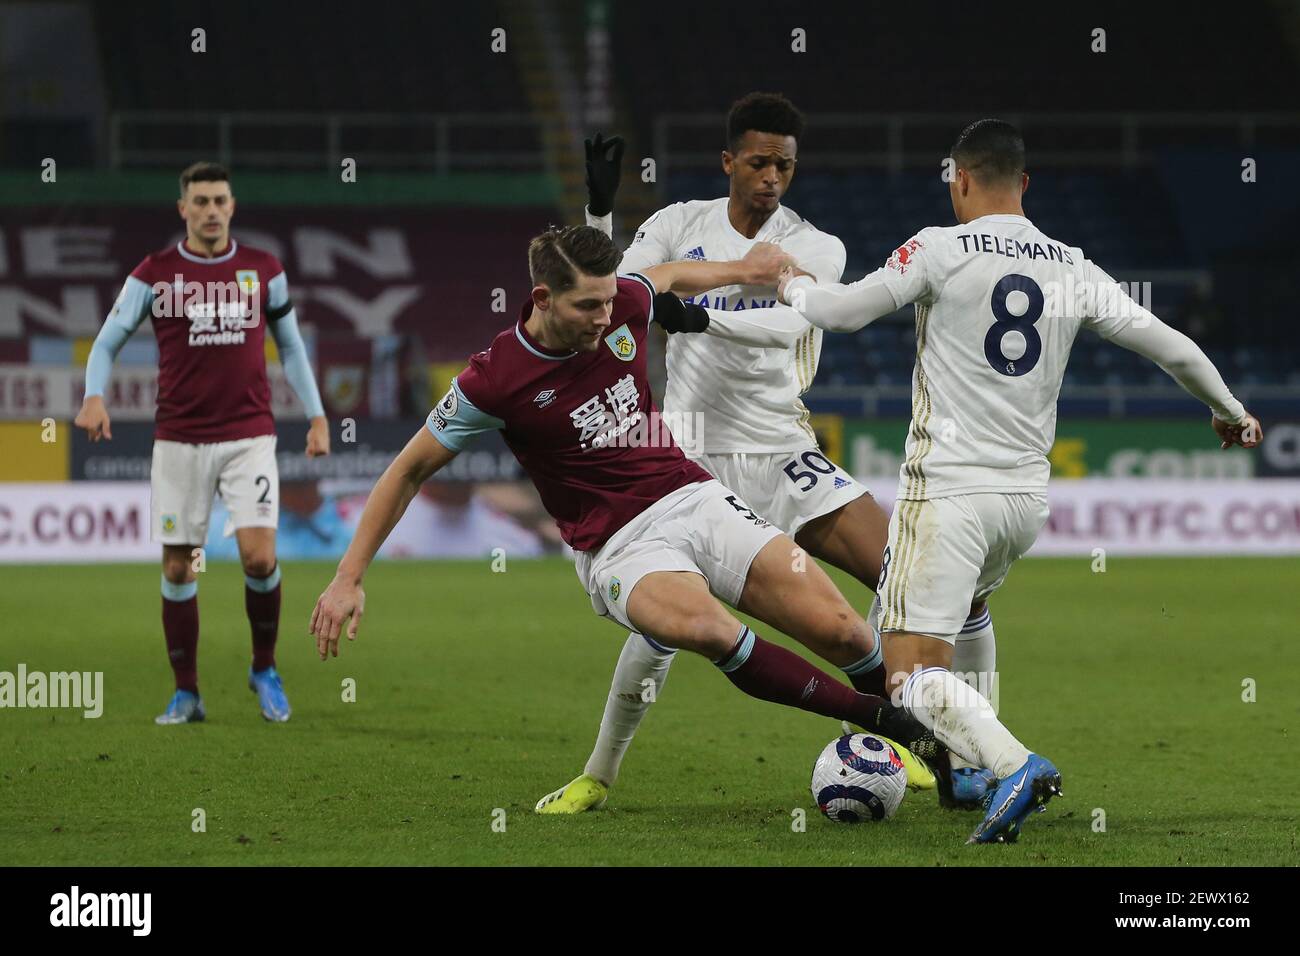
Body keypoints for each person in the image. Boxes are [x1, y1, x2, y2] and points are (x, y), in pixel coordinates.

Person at [679, 119, 1263, 843]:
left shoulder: (939, 246)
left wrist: (793, 283)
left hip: (949, 494)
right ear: (1025, 183)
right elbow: (1170, 345)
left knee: (905, 677)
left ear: (959, 179)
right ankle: (974, 763)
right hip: (1024, 501)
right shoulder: (1070, 262)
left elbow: (846, 313)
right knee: (974, 610)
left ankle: (1014, 763)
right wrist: (1229, 411)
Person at [309, 226, 939, 808]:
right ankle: (890, 723)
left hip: (689, 494)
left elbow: (661, 278)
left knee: (845, 630)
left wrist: (742, 268)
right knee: (706, 628)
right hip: (617, 544)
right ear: (543, 298)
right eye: (588, 306)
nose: (607, 317)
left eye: (610, 301)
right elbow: (407, 470)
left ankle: (945, 759)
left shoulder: (624, 304)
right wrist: (348, 576)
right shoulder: (493, 380)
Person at [537, 92, 990, 815]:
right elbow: (617, 292)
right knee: (663, 633)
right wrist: (600, 215)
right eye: (758, 161)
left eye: (784, 164)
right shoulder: (680, 222)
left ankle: (947, 744)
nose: (772, 176)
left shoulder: (815, 247)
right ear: (729, 161)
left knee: (907, 581)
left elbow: (787, 325)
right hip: (685, 461)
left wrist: (692, 313)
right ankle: (599, 774)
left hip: (782, 448)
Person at [74, 161, 329, 724]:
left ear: (232, 207)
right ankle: (186, 691)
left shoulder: (263, 269)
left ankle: (264, 668)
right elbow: (107, 340)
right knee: (180, 569)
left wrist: (316, 415)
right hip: (180, 442)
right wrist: (94, 395)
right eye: (201, 201)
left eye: (220, 200)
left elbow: (289, 349)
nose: (211, 210)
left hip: (249, 437)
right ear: (183, 209)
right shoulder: (155, 274)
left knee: (260, 556)